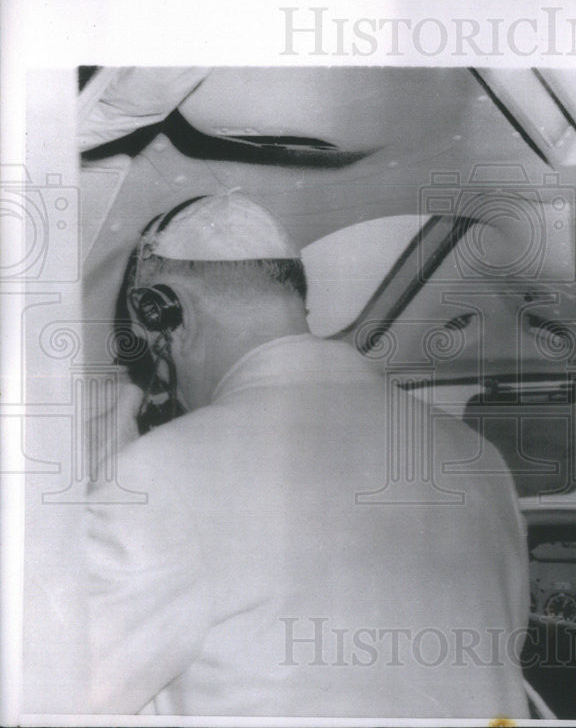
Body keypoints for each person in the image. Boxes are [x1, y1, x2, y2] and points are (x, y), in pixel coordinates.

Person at [86, 193, 530, 718]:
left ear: (167, 312)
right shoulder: (475, 455)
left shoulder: (157, 474)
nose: (171, 392)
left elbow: (53, 692)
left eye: (159, 355)